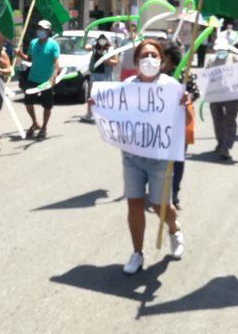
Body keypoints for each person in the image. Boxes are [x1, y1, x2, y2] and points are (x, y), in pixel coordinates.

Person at [118, 39, 184, 274]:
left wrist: (184, 104)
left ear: (162, 61)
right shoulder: (126, 86)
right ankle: (137, 253)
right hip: (132, 157)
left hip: (160, 159)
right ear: (136, 61)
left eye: (154, 55)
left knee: (160, 205)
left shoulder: (172, 86)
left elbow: (182, 120)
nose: (149, 59)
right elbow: (115, 112)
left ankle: (174, 229)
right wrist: (98, 104)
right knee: (134, 203)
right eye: (144, 55)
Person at [162, 42, 199, 206]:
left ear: (169, 57)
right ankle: (161, 189)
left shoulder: (183, 73)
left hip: (179, 122)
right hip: (159, 124)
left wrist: (187, 97)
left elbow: (195, 93)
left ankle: (174, 191)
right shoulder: (154, 74)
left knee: (178, 158)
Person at [15, 20, 59, 139]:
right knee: (28, 103)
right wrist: (20, 54)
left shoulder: (53, 44)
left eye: (43, 29)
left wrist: (53, 77)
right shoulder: (33, 43)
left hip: (46, 81)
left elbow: (56, 64)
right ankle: (35, 122)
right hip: (32, 78)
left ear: (48, 31)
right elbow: (29, 59)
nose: (40, 31)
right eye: (39, 29)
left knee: (47, 106)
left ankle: (44, 127)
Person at [205, 38, 238, 160]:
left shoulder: (235, 58)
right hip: (216, 94)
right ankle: (220, 142)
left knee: (230, 120)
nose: (221, 52)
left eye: (223, 50)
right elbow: (206, 75)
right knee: (218, 120)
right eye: (218, 50)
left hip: (231, 94)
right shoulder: (211, 60)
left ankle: (226, 146)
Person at [82, 33, 118, 121]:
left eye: (104, 39)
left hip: (106, 76)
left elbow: (115, 62)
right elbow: (84, 47)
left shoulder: (111, 49)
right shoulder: (95, 48)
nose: (102, 41)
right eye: (100, 39)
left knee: (106, 96)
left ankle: (106, 114)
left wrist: (105, 60)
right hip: (95, 74)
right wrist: (86, 34)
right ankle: (89, 113)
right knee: (91, 95)